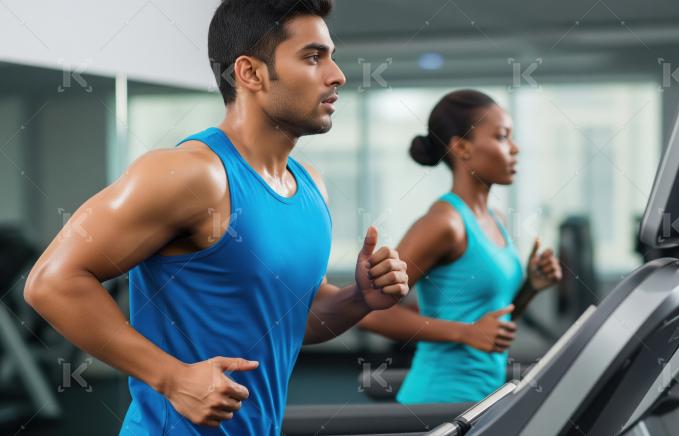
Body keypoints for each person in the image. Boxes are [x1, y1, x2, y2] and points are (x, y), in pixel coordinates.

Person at [22, 0, 409, 434]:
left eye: (331, 56)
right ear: (250, 73)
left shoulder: (311, 187)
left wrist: (358, 298)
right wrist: (171, 377)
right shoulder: (191, 174)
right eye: (313, 56)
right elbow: (52, 282)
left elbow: (296, 317)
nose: (337, 74)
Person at [358, 89, 562, 404]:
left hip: (483, 402)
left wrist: (532, 287)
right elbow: (366, 311)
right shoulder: (444, 223)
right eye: (503, 137)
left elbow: (492, 326)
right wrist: (464, 332)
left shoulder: (495, 220)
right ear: (462, 147)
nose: (515, 148)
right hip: (438, 402)